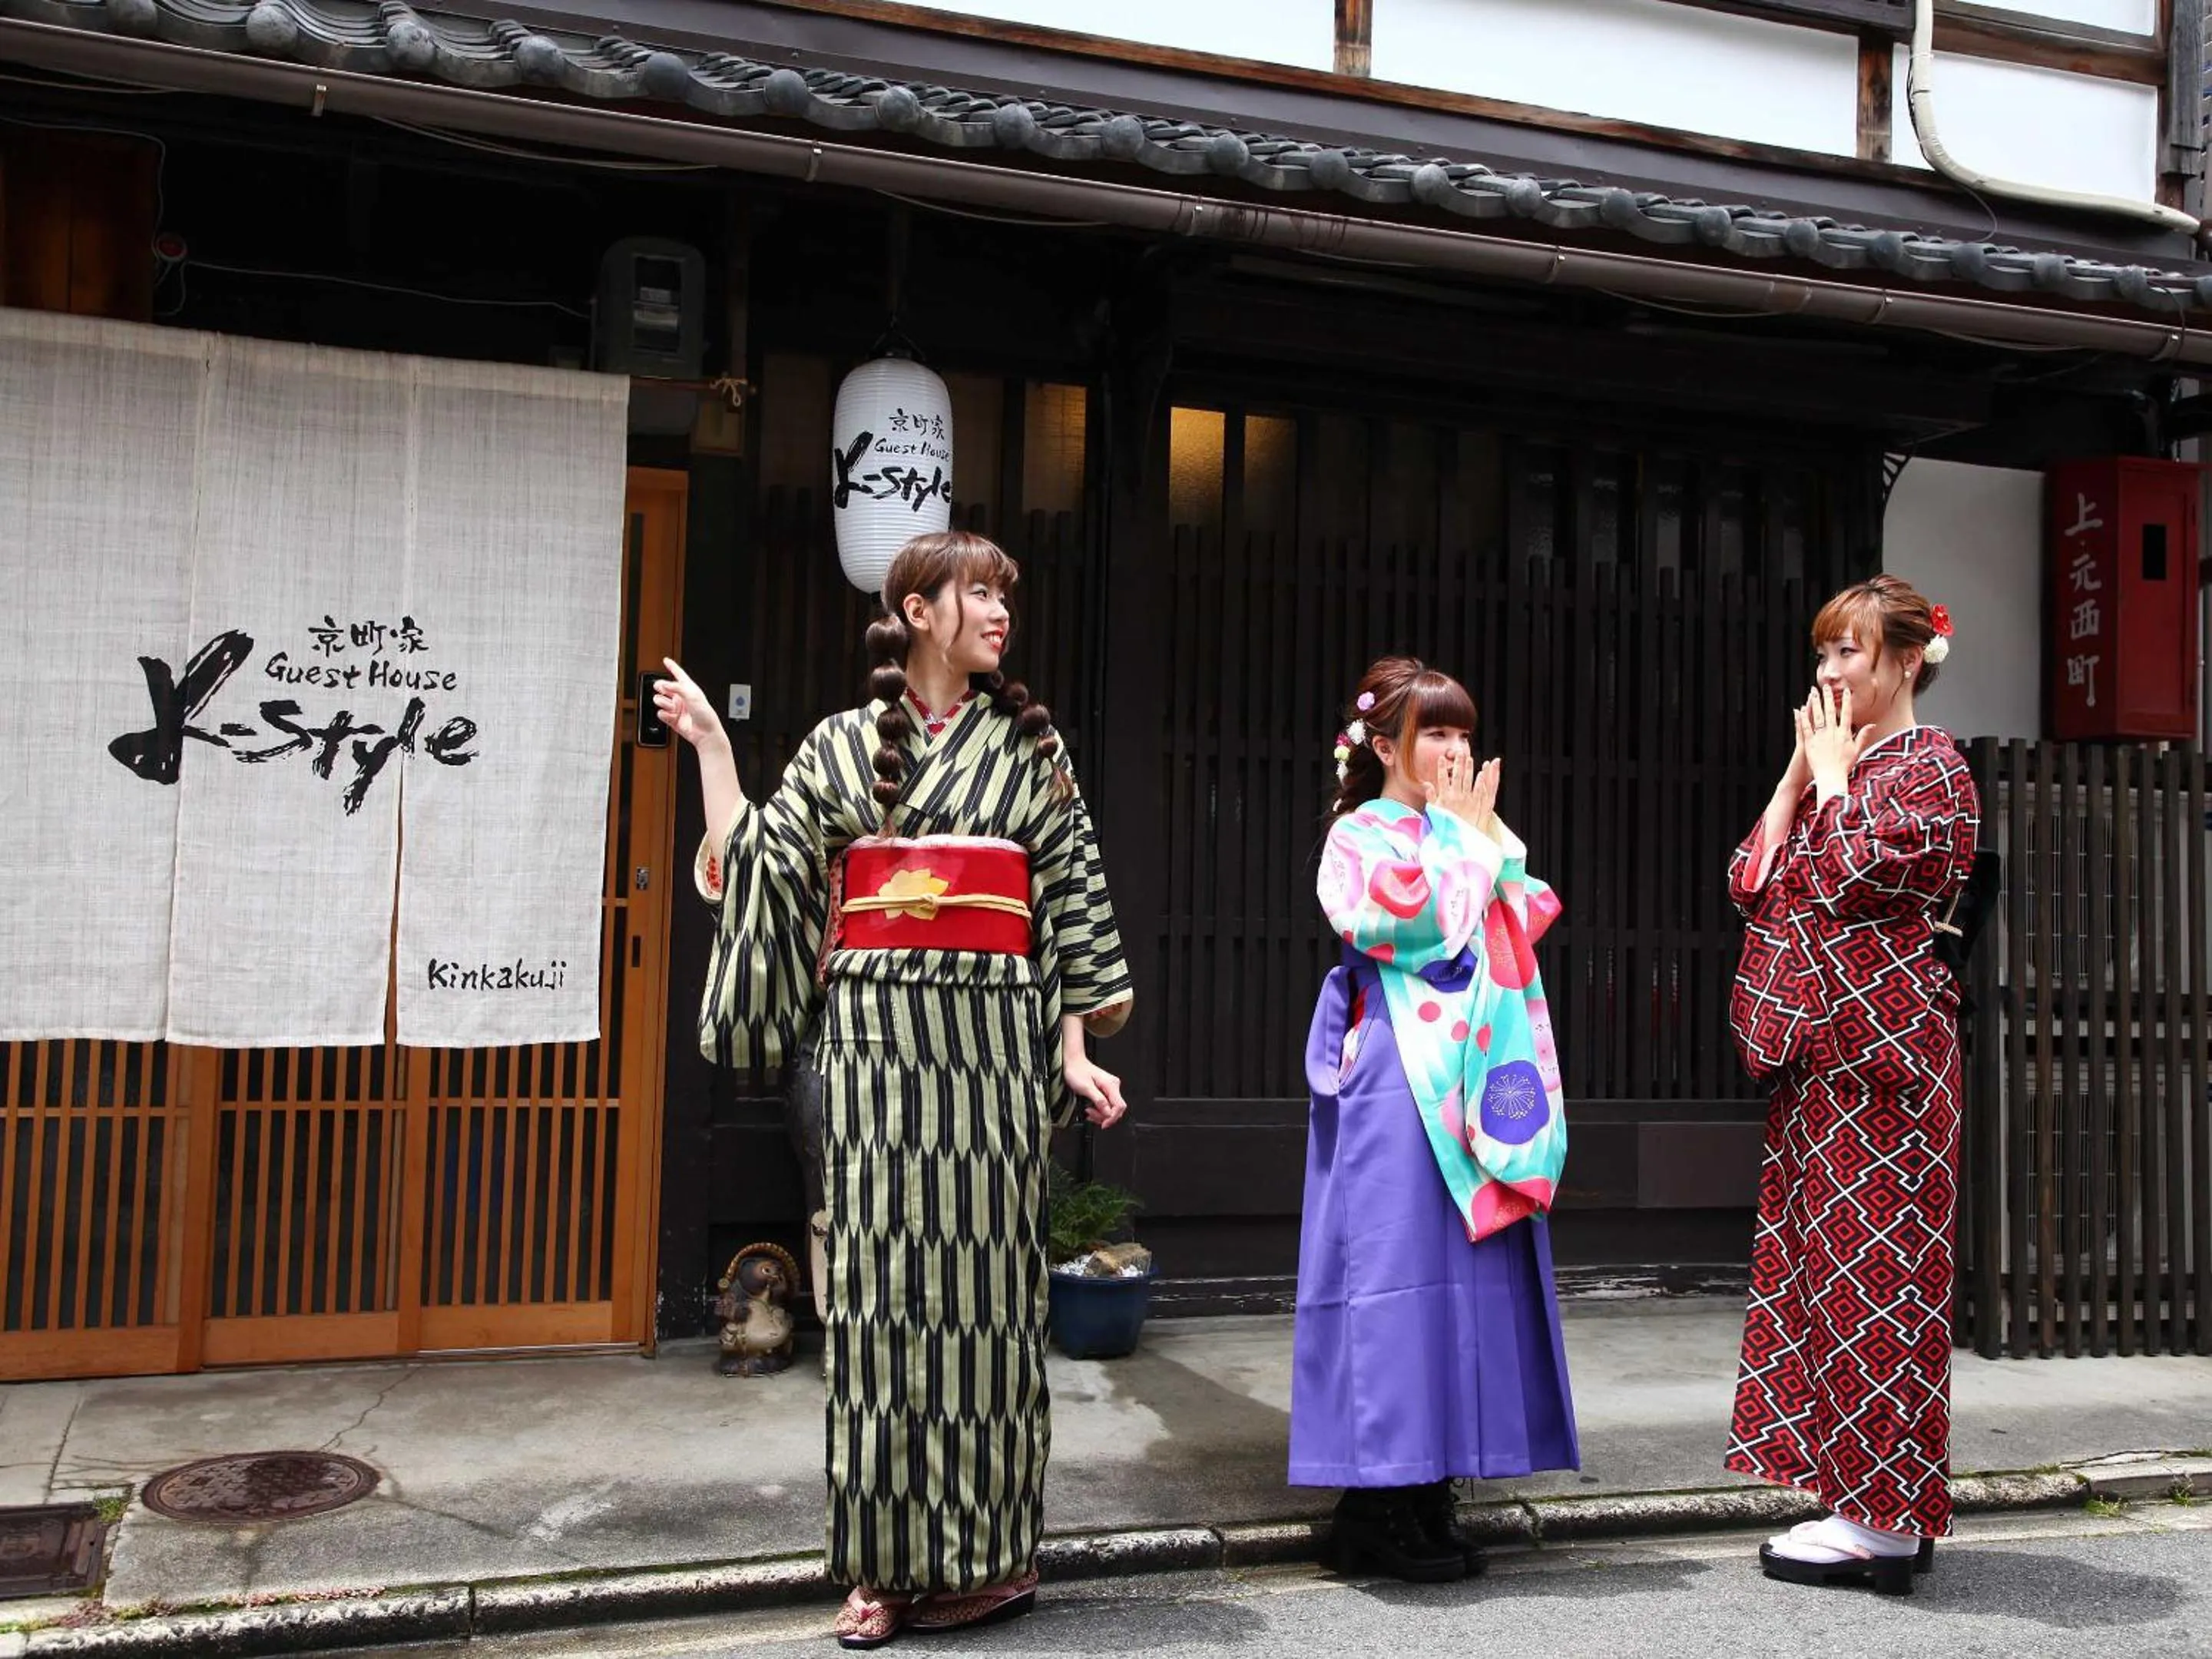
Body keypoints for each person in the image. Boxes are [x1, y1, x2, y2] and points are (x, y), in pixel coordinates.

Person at [654, 529, 1134, 1649]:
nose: (999, 612)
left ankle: (990, 1559)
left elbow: (1063, 909)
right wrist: (717, 754)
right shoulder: (837, 748)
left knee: (985, 1315)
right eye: (978, 592)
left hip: (992, 1064)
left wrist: (1071, 1051)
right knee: (876, 1314)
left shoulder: (1031, 749)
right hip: (875, 1063)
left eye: (1003, 595)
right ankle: (881, 1568)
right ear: (919, 610)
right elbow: (764, 870)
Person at [1289, 656, 1578, 1582]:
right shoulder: (1358, 838)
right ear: (1383, 746)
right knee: (1394, 1281)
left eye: (1462, 730)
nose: (1454, 749)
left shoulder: (1453, 826)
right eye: (1434, 732)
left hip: (1471, 1069)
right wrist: (1463, 841)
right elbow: (1418, 929)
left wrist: (1476, 835)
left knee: (1463, 1280)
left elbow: (1521, 913)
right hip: (1395, 1077)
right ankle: (1375, 1505)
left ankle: (1435, 1490)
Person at [1723, 575, 1979, 1596]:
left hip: (1887, 1066)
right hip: (1821, 1065)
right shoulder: (1841, 758)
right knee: (1820, 1280)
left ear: (1906, 661)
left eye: (1850, 653)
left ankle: (1884, 1523)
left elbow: (1855, 881)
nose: (1830, 673)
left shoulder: (1936, 767)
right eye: (1824, 654)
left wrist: (1833, 785)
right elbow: (1753, 880)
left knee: (1885, 1281)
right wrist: (1797, 772)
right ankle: (1854, 1500)